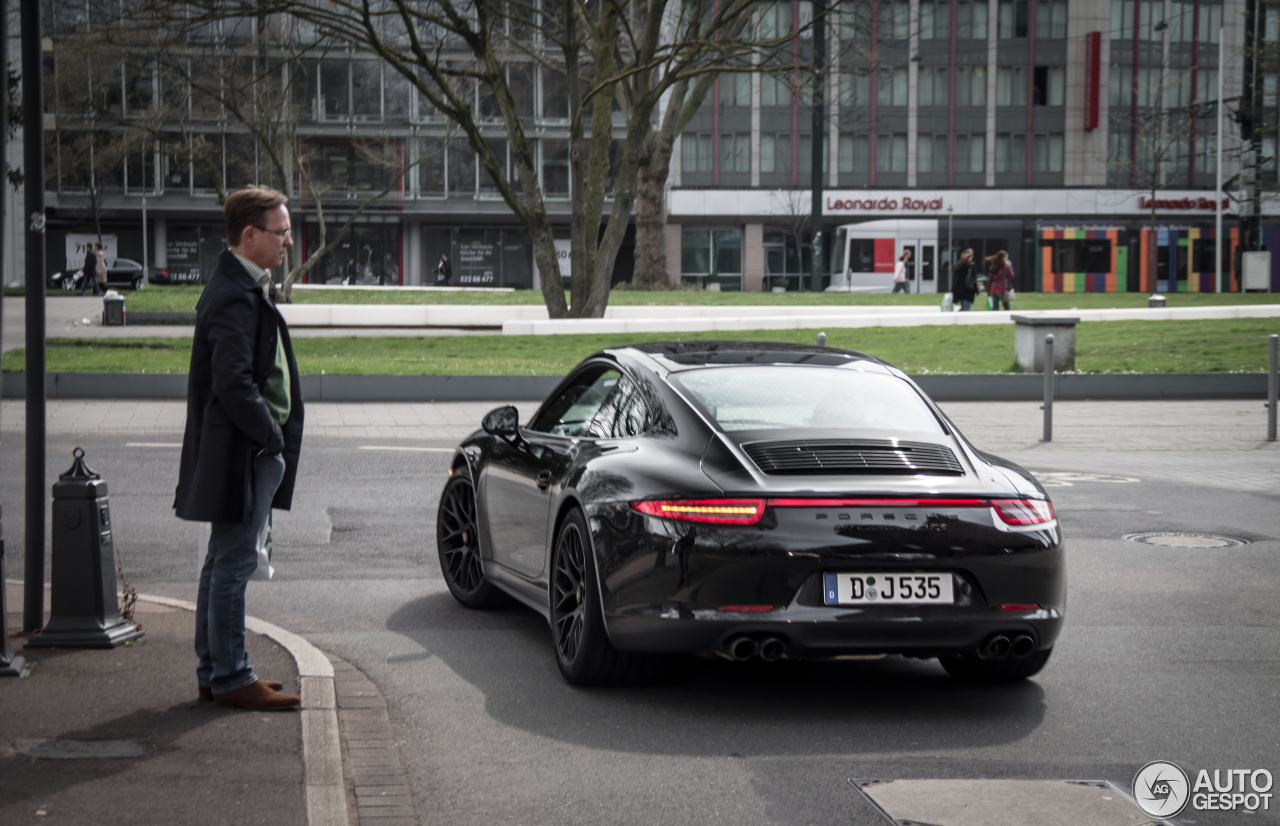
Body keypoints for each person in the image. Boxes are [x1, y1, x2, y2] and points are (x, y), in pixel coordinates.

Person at [174, 185, 305, 711]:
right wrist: (269, 437)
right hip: (244, 450)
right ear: (249, 235)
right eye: (281, 232)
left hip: (239, 448)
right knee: (233, 563)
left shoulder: (238, 283)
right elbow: (233, 381)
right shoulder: (234, 292)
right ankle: (231, 676)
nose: (288, 242)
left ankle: (215, 670)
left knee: (221, 560)